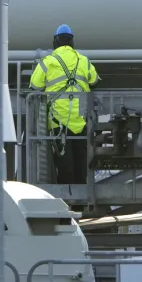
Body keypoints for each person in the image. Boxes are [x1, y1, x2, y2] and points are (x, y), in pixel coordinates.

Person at [29, 24, 99, 184]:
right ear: (72, 42)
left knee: (64, 162)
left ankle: (67, 199)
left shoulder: (48, 62)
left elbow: (34, 85)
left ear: (56, 42)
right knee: (81, 161)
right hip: (81, 121)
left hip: (58, 122)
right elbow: (94, 80)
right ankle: (82, 195)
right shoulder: (84, 61)